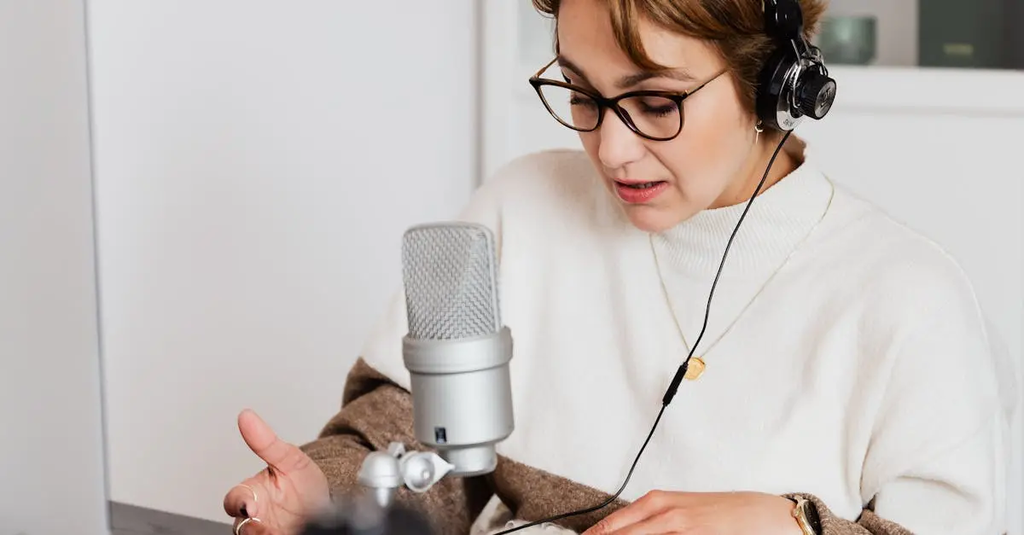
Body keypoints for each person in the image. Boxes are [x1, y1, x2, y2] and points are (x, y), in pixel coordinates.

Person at [222, 0, 1015, 534]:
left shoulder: (910, 300)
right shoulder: (520, 206)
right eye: (581, 92)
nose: (611, 148)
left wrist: (796, 524)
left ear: (774, 81)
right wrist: (334, 495)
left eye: (656, 102)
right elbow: (414, 447)